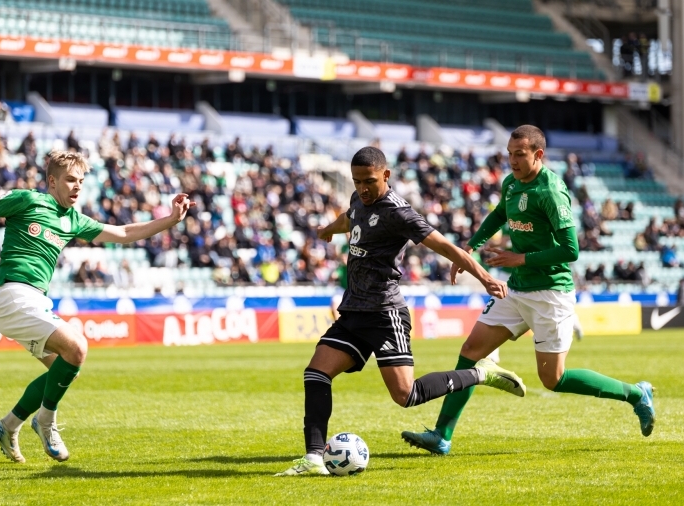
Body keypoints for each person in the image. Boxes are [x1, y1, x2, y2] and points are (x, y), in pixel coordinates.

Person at [0, 151, 195, 463]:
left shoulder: (73, 219)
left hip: (35, 301)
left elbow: (124, 233)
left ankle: (7, 426)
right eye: (70, 180)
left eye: (81, 181)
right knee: (77, 347)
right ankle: (45, 421)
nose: (77, 187)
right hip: (13, 295)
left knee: (65, 370)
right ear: (52, 181)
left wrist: (171, 219)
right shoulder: (26, 200)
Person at [401, 125, 656, 457]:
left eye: (519, 154)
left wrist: (520, 258)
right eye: (509, 154)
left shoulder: (551, 191)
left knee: (553, 379)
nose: (512, 161)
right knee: (471, 349)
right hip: (518, 290)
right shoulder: (510, 184)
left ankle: (636, 394)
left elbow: (571, 250)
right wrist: (470, 249)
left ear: (538, 154)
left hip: (550, 293)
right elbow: (498, 215)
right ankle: (442, 435)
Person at [275, 147, 527, 477]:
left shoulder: (399, 213)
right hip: (353, 311)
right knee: (316, 374)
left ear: (386, 176)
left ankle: (482, 374)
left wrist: (484, 277)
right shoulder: (358, 198)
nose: (362, 188)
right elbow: (349, 218)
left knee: (406, 396)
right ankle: (313, 459)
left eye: (369, 181)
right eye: (357, 181)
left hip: (385, 313)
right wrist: (328, 229)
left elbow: (444, 246)